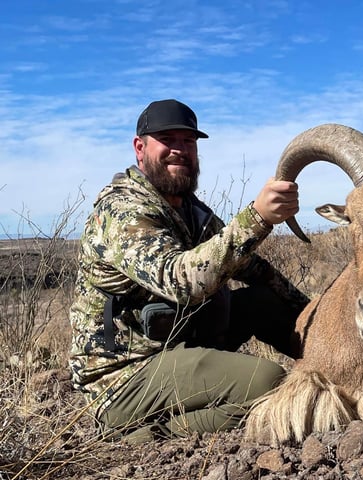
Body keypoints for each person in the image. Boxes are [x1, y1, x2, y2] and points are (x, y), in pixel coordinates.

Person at [69, 99, 309, 442]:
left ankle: (347, 365)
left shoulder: (190, 211)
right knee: (269, 383)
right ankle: (145, 433)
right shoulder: (121, 211)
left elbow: (250, 267)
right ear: (140, 148)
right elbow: (180, 281)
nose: (179, 150)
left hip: (175, 343)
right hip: (124, 375)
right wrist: (257, 217)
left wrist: (315, 313)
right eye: (168, 139)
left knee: (264, 301)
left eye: (188, 142)